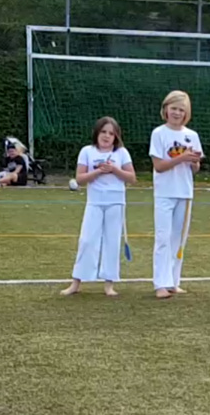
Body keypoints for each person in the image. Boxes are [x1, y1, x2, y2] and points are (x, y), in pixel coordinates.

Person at [60, 117, 136, 298]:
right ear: (97, 133)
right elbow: (80, 179)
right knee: (87, 240)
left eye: (111, 133)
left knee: (112, 242)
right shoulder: (87, 151)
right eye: (103, 132)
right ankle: (76, 282)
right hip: (94, 202)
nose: (107, 136)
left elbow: (131, 177)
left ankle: (109, 284)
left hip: (116, 202)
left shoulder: (122, 153)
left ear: (116, 137)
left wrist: (114, 169)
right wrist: (99, 171)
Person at [149, 90, 203, 299]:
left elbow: (195, 168)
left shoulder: (192, 136)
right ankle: (160, 284)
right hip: (164, 192)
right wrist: (181, 158)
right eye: (174, 108)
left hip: (185, 193)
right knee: (162, 238)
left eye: (181, 110)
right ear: (166, 109)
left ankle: (173, 281)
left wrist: (193, 161)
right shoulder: (159, 133)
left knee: (179, 239)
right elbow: (159, 166)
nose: (177, 113)